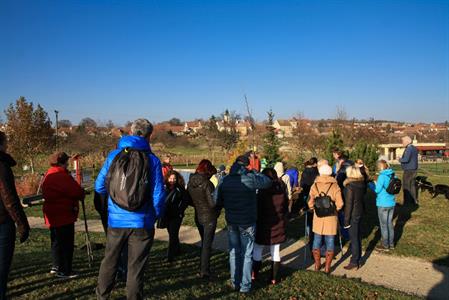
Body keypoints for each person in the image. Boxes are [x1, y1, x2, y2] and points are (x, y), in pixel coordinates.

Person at [95, 118, 165, 300]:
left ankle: (102, 296)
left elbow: (99, 186)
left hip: (116, 221)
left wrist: (115, 200)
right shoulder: (153, 160)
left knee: (109, 261)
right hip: (142, 221)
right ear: (149, 136)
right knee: (136, 267)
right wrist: (155, 215)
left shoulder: (113, 155)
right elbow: (158, 194)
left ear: (131, 132)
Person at [216, 155, 272, 293]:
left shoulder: (225, 180)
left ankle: (235, 281)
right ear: (247, 165)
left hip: (232, 221)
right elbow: (267, 182)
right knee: (247, 254)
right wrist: (254, 171)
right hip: (247, 221)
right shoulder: (251, 178)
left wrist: (227, 203)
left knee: (234, 252)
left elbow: (216, 200)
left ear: (235, 164)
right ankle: (245, 286)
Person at [42, 152, 85, 278]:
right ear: (62, 162)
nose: (68, 163)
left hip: (53, 213)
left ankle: (56, 266)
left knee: (56, 241)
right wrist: (81, 193)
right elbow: (75, 191)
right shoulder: (60, 175)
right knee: (66, 243)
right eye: (66, 161)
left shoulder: (50, 172)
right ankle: (65, 270)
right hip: (63, 213)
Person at [0, 131, 30, 299]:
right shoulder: (2, 165)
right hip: (3, 221)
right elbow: (8, 197)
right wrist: (21, 223)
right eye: (6, 141)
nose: (8, 144)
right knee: (2, 266)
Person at [252, 168, 288, 285]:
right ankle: (273, 278)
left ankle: (254, 273)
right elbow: (286, 208)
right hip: (278, 223)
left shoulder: (262, 192)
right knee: (275, 251)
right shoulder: (281, 189)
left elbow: (258, 209)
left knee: (257, 249)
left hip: (264, 224)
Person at [308, 164, 344, 274]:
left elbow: (310, 202)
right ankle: (328, 267)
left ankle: (317, 264)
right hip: (331, 217)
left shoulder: (314, 185)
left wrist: (313, 208)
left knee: (317, 240)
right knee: (330, 240)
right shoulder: (335, 186)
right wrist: (334, 210)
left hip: (318, 217)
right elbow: (340, 203)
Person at [187, 159, 218, 279]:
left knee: (204, 243)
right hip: (209, 217)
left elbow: (188, 199)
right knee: (206, 245)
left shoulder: (190, 182)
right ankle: (204, 271)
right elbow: (212, 203)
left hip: (198, 215)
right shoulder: (207, 184)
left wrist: (198, 204)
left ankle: (202, 267)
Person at [159, 170, 190, 262]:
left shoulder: (180, 189)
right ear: (167, 178)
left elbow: (185, 201)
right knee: (172, 234)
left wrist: (180, 211)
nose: (172, 180)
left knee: (173, 235)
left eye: (174, 178)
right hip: (167, 215)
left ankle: (170, 256)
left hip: (176, 216)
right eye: (170, 178)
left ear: (177, 179)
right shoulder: (164, 188)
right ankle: (177, 250)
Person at [342, 165, 366, 270]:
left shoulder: (350, 186)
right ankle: (358, 258)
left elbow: (349, 204)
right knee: (357, 237)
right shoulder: (361, 184)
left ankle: (354, 261)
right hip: (359, 212)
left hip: (353, 214)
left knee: (354, 238)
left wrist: (346, 220)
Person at [372, 160, 396, 251]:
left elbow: (377, 190)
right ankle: (391, 244)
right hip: (391, 202)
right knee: (389, 223)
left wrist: (374, 184)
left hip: (383, 203)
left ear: (380, 167)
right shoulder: (393, 174)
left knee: (383, 225)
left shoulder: (382, 176)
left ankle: (385, 245)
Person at [399, 136, 419, 206]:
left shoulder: (408, 149)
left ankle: (406, 202)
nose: (402, 143)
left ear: (407, 142)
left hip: (408, 170)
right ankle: (414, 200)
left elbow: (406, 159)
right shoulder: (414, 148)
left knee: (406, 186)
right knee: (412, 185)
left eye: (403, 141)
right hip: (414, 169)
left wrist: (399, 159)